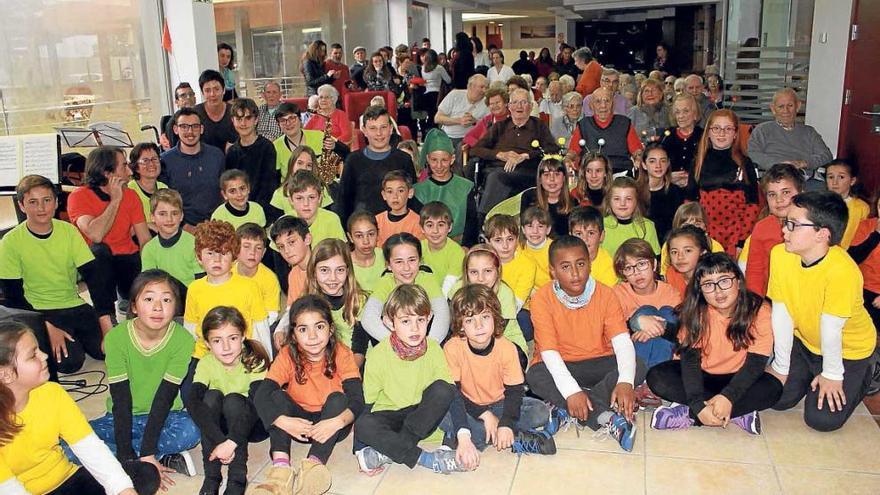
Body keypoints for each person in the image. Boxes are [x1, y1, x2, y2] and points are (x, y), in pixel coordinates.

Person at [0, 321, 152, 495]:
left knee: (143, 475)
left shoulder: (52, 393)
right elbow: (7, 488)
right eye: (33, 355)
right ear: (5, 374)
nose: (44, 356)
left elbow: (89, 447)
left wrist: (124, 490)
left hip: (66, 479)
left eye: (39, 349)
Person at [768, 191, 877, 431]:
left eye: (793, 225)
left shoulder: (843, 271)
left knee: (821, 420)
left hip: (850, 350)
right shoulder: (780, 254)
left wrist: (832, 373)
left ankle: (869, 370)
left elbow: (831, 327)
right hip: (806, 344)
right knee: (776, 397)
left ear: (822, 234)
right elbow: (782, 313)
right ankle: (808, 373)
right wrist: (781, 366)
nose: (784, 231)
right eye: (786, 222)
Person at [525, 236, 645, 452]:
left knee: (638, 364)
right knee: (535, 375)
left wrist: (626, 382)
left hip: (598, 361)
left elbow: (622, 343)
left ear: (590, 263)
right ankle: (603, 416)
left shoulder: (606, 294)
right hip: (560, 364)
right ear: (552, 271)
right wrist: (571, 391)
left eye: (580, 264)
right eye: (565, 266)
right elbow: (550, 353)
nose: (575, 273)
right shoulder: (542, 299)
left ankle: (570, 408)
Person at [648, 253, 781, 434]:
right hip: (703, 377)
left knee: (773, 388)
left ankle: (691, 415)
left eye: (724, 281)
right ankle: (736, 413)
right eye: (708, 285)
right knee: (657, 377)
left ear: (739, 282)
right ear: (700, 290)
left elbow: (755, 364)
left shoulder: (759, 310)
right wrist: (697, 403)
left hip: (738, 378)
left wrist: (728, 397)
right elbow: (690, 361)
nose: (718, 291)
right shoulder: (695, 312)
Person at [91, 270, 200, 484]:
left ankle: (142, 456)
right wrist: (125, 456)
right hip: (123, 417)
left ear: (176, 307)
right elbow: (121, 400)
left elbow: (165, 397)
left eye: (166, 300)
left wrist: (148, 450)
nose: (158, 307)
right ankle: (153, 458)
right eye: (149, 299)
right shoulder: (116, 338)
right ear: (133, 306)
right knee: (71, 443)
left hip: (167, 416)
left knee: (192, 431)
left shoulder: (183, 340)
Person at [0, 175, 108, 377]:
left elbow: (94, 278)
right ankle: (69, 338)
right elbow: (13, 298)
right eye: (33, 202)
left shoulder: (68, 231)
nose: (41, 208)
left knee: (106, 350)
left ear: (57, 202)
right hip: (39, 311)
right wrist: (46, 327)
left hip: (73, 303)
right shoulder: (10, 242)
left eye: (47, 200)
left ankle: (76, 335)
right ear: (22, 206)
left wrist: (106, 324)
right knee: (71, 364)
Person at [254, 295, 363, 493]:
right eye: (303, 329)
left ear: (330, 329)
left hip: (332, 424)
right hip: (298, 424)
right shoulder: (287, 354)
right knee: (276, 397)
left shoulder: (342, 353)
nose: (312, 336)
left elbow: (357, 400)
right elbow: (261, 395)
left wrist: (337, 422)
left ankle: (314, 465)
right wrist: (282, 421)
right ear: (294, 335)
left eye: (319, 327)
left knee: (339, 398)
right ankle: (280, 469)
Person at [440, 284, 556, 467]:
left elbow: (515, 392)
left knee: (540, 411)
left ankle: (475, 435)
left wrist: (506, 423)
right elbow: (454, 395)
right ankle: (516, 439)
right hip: (466, 405)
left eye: (485, 317)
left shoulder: (507, 348)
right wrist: (486, 415)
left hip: (499, 404)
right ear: (460, 326)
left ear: (495, 318)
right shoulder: (452, 348)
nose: (479, 326)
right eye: (470, 321)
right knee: (441, 413)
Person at [354, 284, 461, 475]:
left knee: (445, 390)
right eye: (405, 321)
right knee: (363, 425)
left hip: (421, 416)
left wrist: (464, 435)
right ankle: (426, 459)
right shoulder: (378, 355)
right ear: (389, 322)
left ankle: (389, 451)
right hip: (390, 415)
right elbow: (367, 404)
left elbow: (450, 392)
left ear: (429, 319)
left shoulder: (434, 348)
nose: (415, 328)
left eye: (420, 320)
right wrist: (359, 450)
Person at [186, 306, 269, 494]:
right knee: (210, 397)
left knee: (233, 400)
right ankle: (212, 476)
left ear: (243, 336)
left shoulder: (254, 359)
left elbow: (257, 404)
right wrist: (220, 441)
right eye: (217, 340)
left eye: (232, 338)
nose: (226, 347)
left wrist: (231, 443)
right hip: (222, 430)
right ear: (207, 343)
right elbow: (193, 401)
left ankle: (238, 476)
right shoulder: (206, 363)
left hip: (253, 424)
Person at [67, 146, 151, 314]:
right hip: (98, 262)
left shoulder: (131, 195)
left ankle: (131, 303)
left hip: (127, 258)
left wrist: (150, 273)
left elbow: (145, 239)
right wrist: (115, 200)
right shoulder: (78, 197)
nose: (129, 171)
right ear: (108, 173)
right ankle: (105, 315)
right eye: (123, 166)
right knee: (99, 251)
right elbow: (96, 235)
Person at [184, 221, 271, 372]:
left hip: (240, 356)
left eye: (224, 253)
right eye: (210, 253)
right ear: (199, 257)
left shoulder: (249, 287)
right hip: (204, 357)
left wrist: (267, 361)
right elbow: (190, 329)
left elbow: (260, 327)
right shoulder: (194, 288)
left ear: (234, 257)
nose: (217, 260)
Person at [471, 88, 559, 215]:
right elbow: (476, 149)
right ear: (509, 107)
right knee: (495, 176)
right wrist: (499, 155)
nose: (519, 106)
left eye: (524, 102)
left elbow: (552, 149)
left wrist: (525, 156)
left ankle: (484, 220)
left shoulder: (538, 125)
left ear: (531, 106)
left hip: (526, 172)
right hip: (498, 168)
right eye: (515, 102)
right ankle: (493, 220)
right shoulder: (500, 126)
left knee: (496, 177)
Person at [361, 233, 450, 343]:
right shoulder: (386, 282)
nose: (406, 268)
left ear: (420, 260)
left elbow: (443, 314)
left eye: (412, 260)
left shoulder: (427, 279)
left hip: (425, 339)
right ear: (388, 265)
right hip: (396, 342)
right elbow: (368, 318)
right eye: (399, 262)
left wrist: (430, 345)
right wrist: (397, 345)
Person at [336, 106, 417, 225]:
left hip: (398, 227)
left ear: (390, 128)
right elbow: (343, 201)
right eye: (373, 128)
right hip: (363, 230)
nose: (379, 133)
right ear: (364, 130)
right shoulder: (353, 160)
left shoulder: (403, 160)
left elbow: (412, 199)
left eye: (383, 127)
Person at [694, 109, 760, 255]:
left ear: (736, 133)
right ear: (708, 132)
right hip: (707, 232)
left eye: (728, 129)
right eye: (716, 128)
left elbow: (752, 205)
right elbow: (690, 202)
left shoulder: (744, 163)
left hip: (737, 233)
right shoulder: (698, 162)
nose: (721, 133)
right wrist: (697, 236)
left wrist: (741, 241)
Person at [612, 239, 682, 370]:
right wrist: (638, 322)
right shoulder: (617, 293)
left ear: (654, 264)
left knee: (667, 311)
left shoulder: (671, 293)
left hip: (668, 353)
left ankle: (648, 375)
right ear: (623, 274)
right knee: (646, 310)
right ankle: (647, 375)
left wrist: (651, 330)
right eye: (628, 268)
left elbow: (679, 332)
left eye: (641, 264)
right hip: (634, 352)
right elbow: (614, 331)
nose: (636, 272)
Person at [745, 163, 804, 297]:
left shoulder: (813, 226)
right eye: (772, 194)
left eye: (786, 192)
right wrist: (756, 304)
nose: (779, 200)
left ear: (801, 193)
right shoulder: (762, 227)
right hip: (771, 297)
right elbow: (755, 271)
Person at [161, 107, 225, 229]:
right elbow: (164, 201)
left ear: (201, 129)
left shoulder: (217, 156)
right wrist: (184, 226)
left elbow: (224, 192)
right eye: (184, 126)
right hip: (182, 228)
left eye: (195, 126)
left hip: (217, 225)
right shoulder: (165, 161)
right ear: (175, 129)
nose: (190, 131)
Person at [415, 129, 478, 246]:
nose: (439, 166)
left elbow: (472, 222)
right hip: (427, 246)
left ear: (452, 159)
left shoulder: (465, 187)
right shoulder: (419, 191)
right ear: (428, 159)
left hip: (459, 245)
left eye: (444, 160)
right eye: (434, 160)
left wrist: (466, 247)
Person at [140, 189, 203, 304]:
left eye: (174, 213)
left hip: (190, 297)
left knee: (169, 283)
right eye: (162, 214)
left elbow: (201, 282)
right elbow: (148, 283)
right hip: (161, 299)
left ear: (182, 216)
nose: (169, 219)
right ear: (152, 217)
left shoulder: (194, 244)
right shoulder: (149, 249)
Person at [568, 87, 643, 174]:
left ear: (613, 104)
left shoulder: (625, 123)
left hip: (620, 173)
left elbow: (637, 151)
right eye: (598, 101)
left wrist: (638, 158)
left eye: (607, 101)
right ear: (591, 105)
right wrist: (568, 159)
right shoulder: (583, 124)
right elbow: (572, 151)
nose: (603, 105)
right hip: (592, 174)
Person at [225, 98, 277, 209]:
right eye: (239, 119)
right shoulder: (232, 152)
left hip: (262, 209)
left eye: (248, 118)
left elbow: (268, 186)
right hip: (239, 208)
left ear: (256, 119)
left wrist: (254, 210)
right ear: (232, 121)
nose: (243, 123)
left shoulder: (267, 147)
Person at [636, 142, 689, 241]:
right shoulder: (634, 192)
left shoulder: (677, 193)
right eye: (652, 161)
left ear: (668, 163)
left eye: (663, 161)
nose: (658, 165)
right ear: (644, 164)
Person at [600, 176, 660, 257]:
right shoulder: (601, 225)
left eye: (628, 199)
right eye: (617, 199)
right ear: (609, 201)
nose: (622, 204)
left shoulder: (648, 226)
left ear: (636, 201)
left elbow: (654, 259)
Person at [435, 74, 489, 161]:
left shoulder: (487, 102)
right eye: (482, 87)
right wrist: (459, 121)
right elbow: (437, 118)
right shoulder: (455, 95)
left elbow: (490, 125)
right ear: (471, 86)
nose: (485, 90)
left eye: (486, 87)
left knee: (462, 148)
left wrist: (475, 121)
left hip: (470, 139)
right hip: (448, 136)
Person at [234, 223, 281, 324]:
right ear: (235, 249)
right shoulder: (226, 272)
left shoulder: (270, 278)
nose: (252, 252)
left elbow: (272, 314)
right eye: (246, 246)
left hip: (259, 326)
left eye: (258, 248)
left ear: (263, 253)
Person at [271, 217, 313, 319]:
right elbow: (291, 309)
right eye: (281, 246)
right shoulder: (293, 274)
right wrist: (279, 331)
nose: (287, 251)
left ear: (307, 239)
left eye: (291, 242)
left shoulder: (325, 270)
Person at [419, 202, 466, 294]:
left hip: (446, 297)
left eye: (440, 225)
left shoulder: (457, 252)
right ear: (422, 228)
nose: (435, 231)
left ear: (449, 227)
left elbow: (449, 284)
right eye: (429, 225)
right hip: (422, 295)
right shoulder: (417, 248)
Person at [520, 157, 573, 237]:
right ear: (540, 179)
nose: (552, 179)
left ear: (564, 178)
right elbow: (524, 230)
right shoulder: (528, 197)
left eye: (557, 174)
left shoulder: (573, 201)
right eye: (546, 175)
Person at [272, 102, 324, 183]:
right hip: (290, 192)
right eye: (282, 120)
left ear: (300, 119)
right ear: (278, 124)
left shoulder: (320, 136)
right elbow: (275, 180)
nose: (288, 123)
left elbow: (345, 152)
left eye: (292, 118)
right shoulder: (275, 147)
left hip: (322, 188)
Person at [660, 93, 703, 187]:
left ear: (695, 114)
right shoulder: (667, 136)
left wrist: (691, 178)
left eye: (686, 111)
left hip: (697, 188)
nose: (680, 116)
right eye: (677, 112)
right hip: (669, 188)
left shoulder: (703, 137)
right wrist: (667, 177)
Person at [568, 206, 618, 287]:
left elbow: (605, 296)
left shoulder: (608, 266)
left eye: (591, 233)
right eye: (579, 234)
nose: (584, 239)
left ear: (601, 236)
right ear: (571, 236)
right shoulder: (563, 258)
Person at [825, 159, 869, 249]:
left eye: (841, 177)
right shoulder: (819, 203)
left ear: (852, 181)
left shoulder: (861, 208)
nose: (834, 182)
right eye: (830, 177)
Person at [376, 171, 424, 247]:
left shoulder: (418, 223)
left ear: (410, 193)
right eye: (390, 191)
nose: (395, 196)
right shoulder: (377, 221)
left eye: (400, 191)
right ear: (384, 195)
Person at [127, 142, 167, 230]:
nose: (151, 164)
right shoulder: (129, 190)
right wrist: (148, 225)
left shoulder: (164, 188)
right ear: (136, 167)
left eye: (154, 159)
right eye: (145, 161)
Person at [194, 70, 237, 151]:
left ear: (223, 90)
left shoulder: (234, 112)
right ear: (202, 93)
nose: (212, 94)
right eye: (207, 90)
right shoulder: (195, 114)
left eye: (216, 89)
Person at [664, 225, 712, 296]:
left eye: (688, 250)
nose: (680, 257)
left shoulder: (711, 277)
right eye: (674, 252)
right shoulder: (671, 274)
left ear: (702, 252)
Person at [346, 211, 385, 293]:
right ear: (350, 237)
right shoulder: (344, 262)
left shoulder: (386, 256)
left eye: (371, 234)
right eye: (359, 236)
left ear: (378, 234)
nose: (366, 241)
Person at [461, 87, 509, 153]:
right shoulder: (487, 120)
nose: (495, 106)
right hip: (487, 156)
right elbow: (468, 137)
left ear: (505, 103)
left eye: (498, 102)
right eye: (491, 104)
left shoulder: (514, 118)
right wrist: (480, 146)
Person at [420, 49, 451, 131]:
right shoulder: (439, 68)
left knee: (429, 114)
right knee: (435, 115)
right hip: (437, 94)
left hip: (426, 94)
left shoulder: (423, 68)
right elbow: (448, 80)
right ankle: (434, 131)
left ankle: (427, 130)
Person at [161, 82, 196, 150]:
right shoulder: (172, 123)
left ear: (195, 98)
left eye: (191, 94)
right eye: (183, 96)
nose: (188, 97)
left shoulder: (203, 116)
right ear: (177, 102)